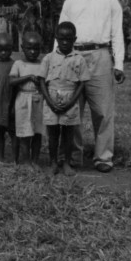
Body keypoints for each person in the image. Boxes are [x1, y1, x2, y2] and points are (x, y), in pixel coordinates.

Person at [59, 0, 125, 173]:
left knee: (103, 111)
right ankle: (75, 157)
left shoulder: (110, 1)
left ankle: (103, 157)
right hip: (74, 57)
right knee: (73, 110)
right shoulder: (71, 1)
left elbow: (117, 34)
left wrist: (119, 64)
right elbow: (60, 32)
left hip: (100, 56)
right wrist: (56, 61)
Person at [39, 22, 91, 176]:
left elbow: (82, 83)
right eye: (62, 39)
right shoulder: (49, 58)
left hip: (71, 100)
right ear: (56, 38)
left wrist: (72, 101)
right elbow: (42, 80)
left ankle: (67, 163)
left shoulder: (79, 59)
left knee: (68, 135)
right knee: (53, 135)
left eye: (69, 39)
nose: (65, 42)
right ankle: (53, 162)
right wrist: (49, 101)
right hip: (51, 99)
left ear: (74, 39)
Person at [9, 32, 45, 167]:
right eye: (29, 48)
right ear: (22, 47)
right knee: (24, 132)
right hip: (23, 100)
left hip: (38, 99)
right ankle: (26, 161)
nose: (32, 52)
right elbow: (11, 81)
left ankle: (35, 161)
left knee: (37, 131)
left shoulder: (42, 64)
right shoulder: (18, 64)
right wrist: (28, 77)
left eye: (36, 49)